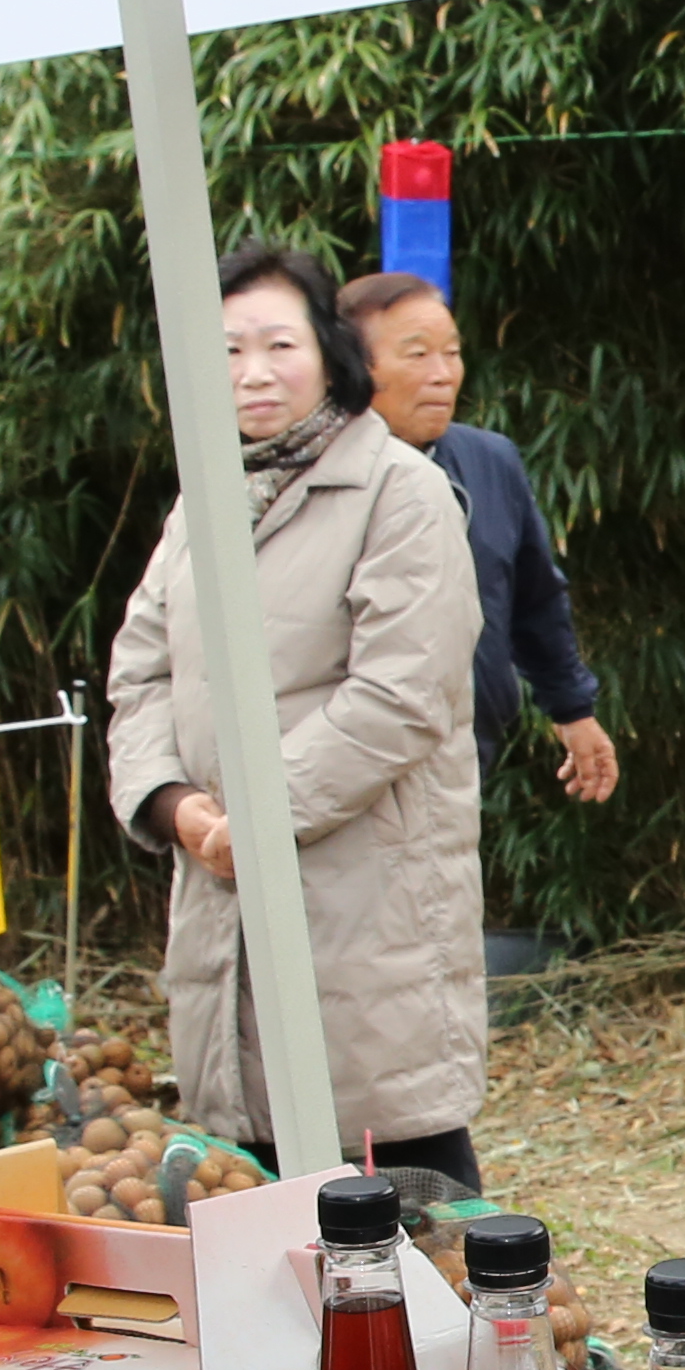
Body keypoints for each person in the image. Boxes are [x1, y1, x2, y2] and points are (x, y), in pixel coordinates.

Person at [111, 246, 488, 1187]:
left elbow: (402, 697)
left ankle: (481, 1333)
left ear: (328, 350)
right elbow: (140, 670)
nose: (253, 370)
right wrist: (177, 809)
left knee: (401, 1170)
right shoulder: (204, 499)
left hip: (363, 897)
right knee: (256, 1180)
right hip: (218, 879)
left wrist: (258, 820)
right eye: (228, 348)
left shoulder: (401, 491)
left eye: (279, 343)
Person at [346, 267, 620, 814]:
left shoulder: (487, 462)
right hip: (351, 770)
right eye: (417, 355)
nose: (443, 374)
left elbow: (534, 599)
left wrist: (573, 709)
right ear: (351, 367)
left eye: (451, 353)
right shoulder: (318, 480)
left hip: (464, 760)